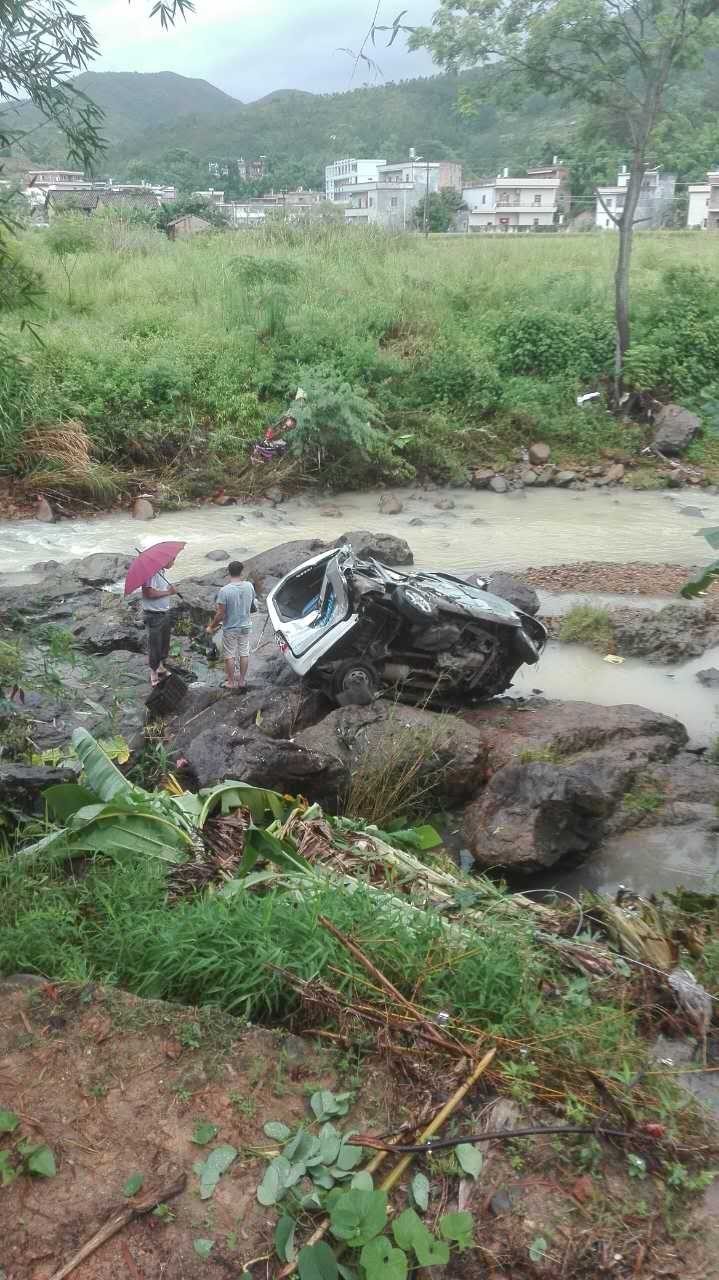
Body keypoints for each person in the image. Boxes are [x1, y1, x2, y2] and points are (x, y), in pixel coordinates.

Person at [206, 561, 255, 690]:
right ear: (242, 571)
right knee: (244, 653)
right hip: (245, 626)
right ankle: (242, 681)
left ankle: (231, 682)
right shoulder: (249, 586)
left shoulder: (224, 590)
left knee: (230, 655)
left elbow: (221, 614)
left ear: (228, 572)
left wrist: (211, 626)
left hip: (231, 628)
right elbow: (251, 604)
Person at [141, 558, 178, 686]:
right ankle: (153, 672)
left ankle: (160, 666)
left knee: (164, 643)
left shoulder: (161, 572)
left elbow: (158, 590)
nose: (173, 563)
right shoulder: (150, 573)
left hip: (164, 612)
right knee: (155, 645)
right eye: (172, 560)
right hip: (154, 615)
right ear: (165, 560)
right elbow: (148, 593)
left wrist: (168, 589)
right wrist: (168, 592)